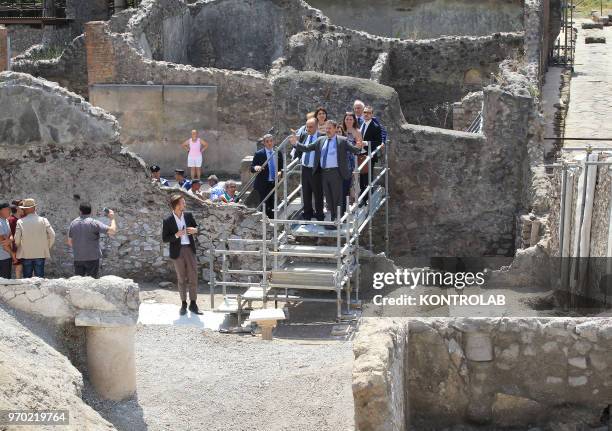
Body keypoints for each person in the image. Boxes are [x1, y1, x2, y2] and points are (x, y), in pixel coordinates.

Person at [290, 120, 363, 228]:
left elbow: (355, 150)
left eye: (329, 128)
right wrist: (296, 143)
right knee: (328, 198)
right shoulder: (320, 140)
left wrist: (359, 143)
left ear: (335, 128)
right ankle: (333, 219)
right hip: (324, 173)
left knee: (337, 198)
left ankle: (337, 220)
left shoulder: (342, 141)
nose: (327, 130)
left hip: (336, 173)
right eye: (326, 128)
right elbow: (307, 148)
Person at [162, 194, 202, 316]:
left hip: (189, 249)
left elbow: (196, 227)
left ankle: (193, 304)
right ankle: (183, 304)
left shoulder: (188, 216)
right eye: (183, 202)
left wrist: (196, 230)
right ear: (177, 205)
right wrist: (176, 235)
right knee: (181, 279)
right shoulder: (168, 221)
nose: (184, 204)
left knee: (193, 277)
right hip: (177, 252)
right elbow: (165, 238)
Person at [67, 203, 117, 278]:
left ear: (80, 211)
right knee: (92, 282)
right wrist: (112, 218)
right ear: (90, 212)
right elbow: (112, 231)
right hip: (92, 258)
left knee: (79, 283)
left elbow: (70, 242)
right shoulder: (94, 223)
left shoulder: (73, 223)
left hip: (78, 258)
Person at [14, 199, 55, 278]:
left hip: (26, 254)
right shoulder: (44, 220)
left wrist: (19, 246)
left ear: (25, 209)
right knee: (39, 279)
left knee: (27, 279)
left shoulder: (20, 221)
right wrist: (47, 247)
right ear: (35, 208)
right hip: (40, 253)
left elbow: (17, 239)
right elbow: (52, 235)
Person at [293, 117, 324, 221]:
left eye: (311, 127)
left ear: (316, 126)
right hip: (305, 168)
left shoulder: (321, 137)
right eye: (307, 126)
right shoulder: (304, 135)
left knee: (318, 193)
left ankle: (319, 214)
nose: (308, 129)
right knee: (306, 192)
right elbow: (300, 147)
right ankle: (307, 213)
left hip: (316, 169)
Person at [251, 134, 284, 219]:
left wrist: (280, 172)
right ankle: (265, 222)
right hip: (262, 183)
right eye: (267, 141)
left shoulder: (278, 152)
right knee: (264, 204)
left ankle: (272, 222)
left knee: (273, 204)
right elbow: (252, 168)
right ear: (264, 143)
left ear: (274, 141)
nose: (269, 143)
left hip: (274, 182)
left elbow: (282, 168)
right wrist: (256, 167)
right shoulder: (259, 154)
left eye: (271, 141)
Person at [359, 106, 384, 206]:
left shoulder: (375, 126)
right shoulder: (361, 124)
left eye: (368, 113)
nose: (366, 114)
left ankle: (364, 200)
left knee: (367, 178)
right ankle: (362, 198)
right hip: (360, 154)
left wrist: (366, 143)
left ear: (372, 114)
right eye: (365, 112)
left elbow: (378, 142)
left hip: (369, 155)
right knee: (361, 178)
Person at [340, 112, 363, 212]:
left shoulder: (357, 131)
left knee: (351, 181)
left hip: (351, 158)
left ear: (354, 120)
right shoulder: (341, 129)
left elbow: (359, 146)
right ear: (344, 120)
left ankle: (350, 202)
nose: (348, 121)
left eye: (350, 119)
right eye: (347, 119)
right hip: (340, 158)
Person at [8, 202, 22, 278]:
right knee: (18, 266)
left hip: (10, 246)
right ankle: (18, 281)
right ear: (17, 209)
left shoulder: (9, 219)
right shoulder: (16, 220)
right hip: (16, 246)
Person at [0, 203, 12, 279]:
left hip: (6, 257)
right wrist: (13, 255)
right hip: (2, 258)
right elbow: (3, 241)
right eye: (8, 209)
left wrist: (10, 239)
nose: (10, 211)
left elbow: (11, 234)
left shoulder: (6, 221)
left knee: (6, 281)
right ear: (1, 210)